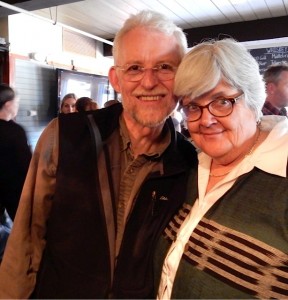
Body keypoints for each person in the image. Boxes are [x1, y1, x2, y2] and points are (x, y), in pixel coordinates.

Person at [0, 10, 197, 299]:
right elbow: (26, 238)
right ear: (116, 79)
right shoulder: (64, 136)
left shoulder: (189, 162)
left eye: (165, 67)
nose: (149, 81)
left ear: (182, 78)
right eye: (134, 68)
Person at [155, 38, 288, 299]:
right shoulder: (190, 164)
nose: (206, 119)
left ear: (253, 99)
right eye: (193, 106)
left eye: (222, 102)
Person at [0, 84, 32, 261]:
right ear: (7, 104)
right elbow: (25, 167)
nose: (17, 106)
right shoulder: (14, 131)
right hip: (11, 195)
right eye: (16, 102)